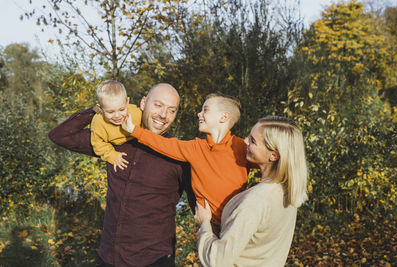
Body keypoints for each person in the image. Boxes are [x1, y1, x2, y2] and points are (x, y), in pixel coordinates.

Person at [48, 83, 195, 267]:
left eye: (171, 110)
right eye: (158, 105)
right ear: (142, 103)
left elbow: (199, 204)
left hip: (154, 260)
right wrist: (99, 110)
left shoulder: (179, 154)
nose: (163, 115)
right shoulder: (114, 139)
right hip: (110, 258)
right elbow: (60, 136)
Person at [122, 93, 257, 234]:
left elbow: (269, 166)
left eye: (205, 110)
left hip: (238, 221)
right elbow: (164, 144)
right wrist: (133, 130)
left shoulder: (241, 147)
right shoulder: (195, 148)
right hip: (210, 226)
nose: (199, 114)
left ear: (224, 117)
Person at [194, 116, 308, 267]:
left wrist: (205, 225)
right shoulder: (286, 190)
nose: (245, 142)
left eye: (253, 141)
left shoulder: (256, 200)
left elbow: (218, 261)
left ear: (274, 155)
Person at [91, 80, 142, 172]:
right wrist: (112, 155)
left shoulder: (136, 113)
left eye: (122, 109)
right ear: (101, 108)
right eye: (110, 112)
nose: (117, 116)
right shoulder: (99, 122)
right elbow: (98, 144)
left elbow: (148, 125)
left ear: (127, 102)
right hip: (118, 147)